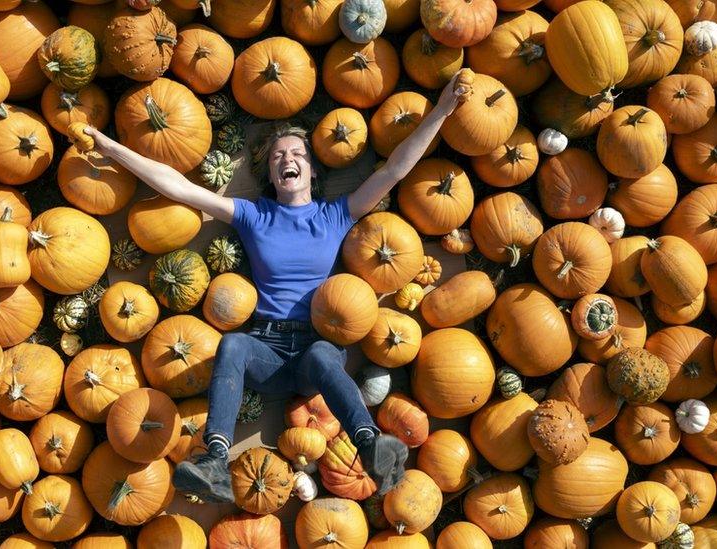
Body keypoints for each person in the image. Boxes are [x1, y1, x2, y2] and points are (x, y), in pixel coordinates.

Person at [85, 72, 464, 504]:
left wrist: (443, 110)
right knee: (232, 346)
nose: (289, 158)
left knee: (323, 355)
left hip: (314, 353)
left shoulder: (335, 215)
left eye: (297, 152)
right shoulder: (254, 215)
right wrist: (107, 146)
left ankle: (369, 443)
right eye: (279, 155)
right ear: (271, 172)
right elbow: (180, 187)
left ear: (310, 169)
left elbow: (395, 169)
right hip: (265, 350)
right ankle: (214, 462)